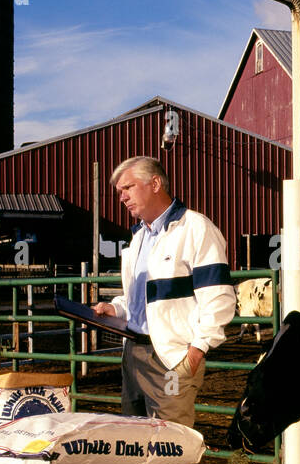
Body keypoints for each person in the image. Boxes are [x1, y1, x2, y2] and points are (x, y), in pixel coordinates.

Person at [93, 156, 235, 430]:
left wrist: (196, 351)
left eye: (128, 188)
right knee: (132, 439)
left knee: (170, 444)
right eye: (120, 192)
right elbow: (139, 297)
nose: (122, 197)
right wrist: (117, 308)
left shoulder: (195, 228)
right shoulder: (139, 238)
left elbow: (219, 297)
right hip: (133, 352)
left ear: (155, 183)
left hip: (171, 357)